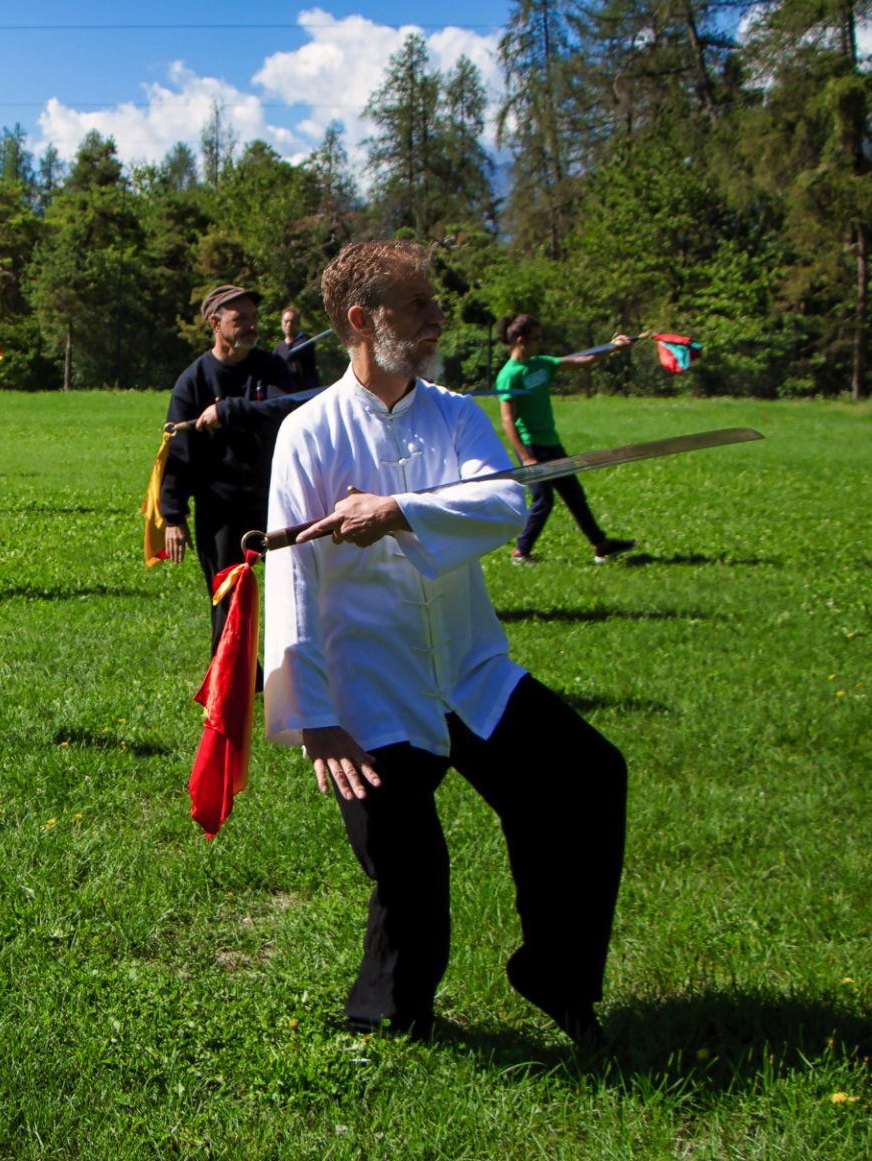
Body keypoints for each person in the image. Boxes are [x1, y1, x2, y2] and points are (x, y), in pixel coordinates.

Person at [262, 240, 627, 1051]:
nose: (438, 318)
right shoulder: (308, 434)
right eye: (418, 305)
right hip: (370, 690)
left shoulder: (456, 414)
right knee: (410, 872)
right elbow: (288, 581)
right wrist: (313, 714)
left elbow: (502, 504)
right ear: (362, 320)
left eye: (433, 303)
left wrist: (397, 511)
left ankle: (556, 974)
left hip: (470, 672)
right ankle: (389, 1022)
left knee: (586, 778)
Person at [159, 284, 303, 646]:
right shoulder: (193, 382)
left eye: (253, 319)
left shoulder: (272, 369)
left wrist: (230, 410)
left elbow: (290, 409)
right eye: (240, 320)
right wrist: (173, 516)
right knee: (228, 601)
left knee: (297, 593)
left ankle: (297, 675)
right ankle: (234, 688)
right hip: (220, 509)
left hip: (276, 501)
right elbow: (177, 451)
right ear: (216, 323)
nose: (251, 326)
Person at [495, 314, 638, 564]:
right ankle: (521, 551)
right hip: (531, 445)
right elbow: (507, 419)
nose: (541, 343)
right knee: (544, 499)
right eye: (536, 339)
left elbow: (582, 360)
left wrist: (613, 348)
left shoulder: (542, 363)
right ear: (521, 340)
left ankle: (601, 545)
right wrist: (526, 457)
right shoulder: (509, 375)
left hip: (551, 441)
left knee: (573, 494)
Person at [274, 305, 322, 389]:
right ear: (282, 322)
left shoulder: (306, 341)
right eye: (286, 321)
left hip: (307, 393)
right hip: (288, 394)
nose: (288, 324)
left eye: (292, 322)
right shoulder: (279, 347)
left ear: (298, 324)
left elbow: (289, 355)